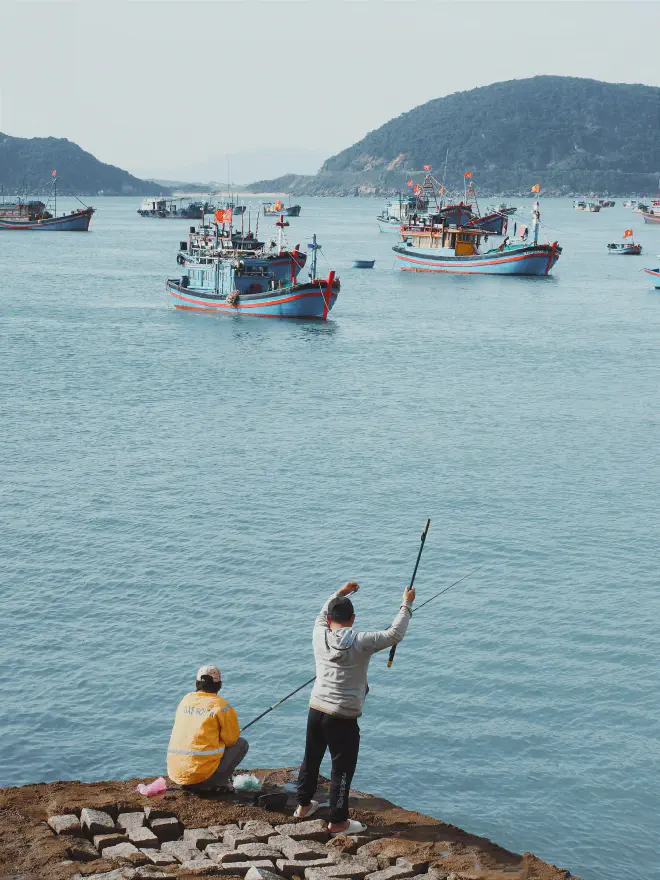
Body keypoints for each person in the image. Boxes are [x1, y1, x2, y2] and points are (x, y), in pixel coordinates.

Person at [295, 581, 415, 834]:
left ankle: (303, 805)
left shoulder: (319, 633)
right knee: (342, 770)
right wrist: (406, 604)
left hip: (316, 709)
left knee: (311, 758)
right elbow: (395, 634)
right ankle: (338, 821)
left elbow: (321, 611)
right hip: (342, 716)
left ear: (329, 619)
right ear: (353, 619)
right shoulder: (362, 641)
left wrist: (340, 592)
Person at [167, 665, 248, 792]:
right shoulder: (222, 706)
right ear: (219, 685)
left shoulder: (186, 700)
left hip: (176, 774)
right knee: (242, 743)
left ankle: (194, 780)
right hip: (201, 777)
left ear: (196, 683)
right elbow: (231, 741)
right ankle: (217, 784)